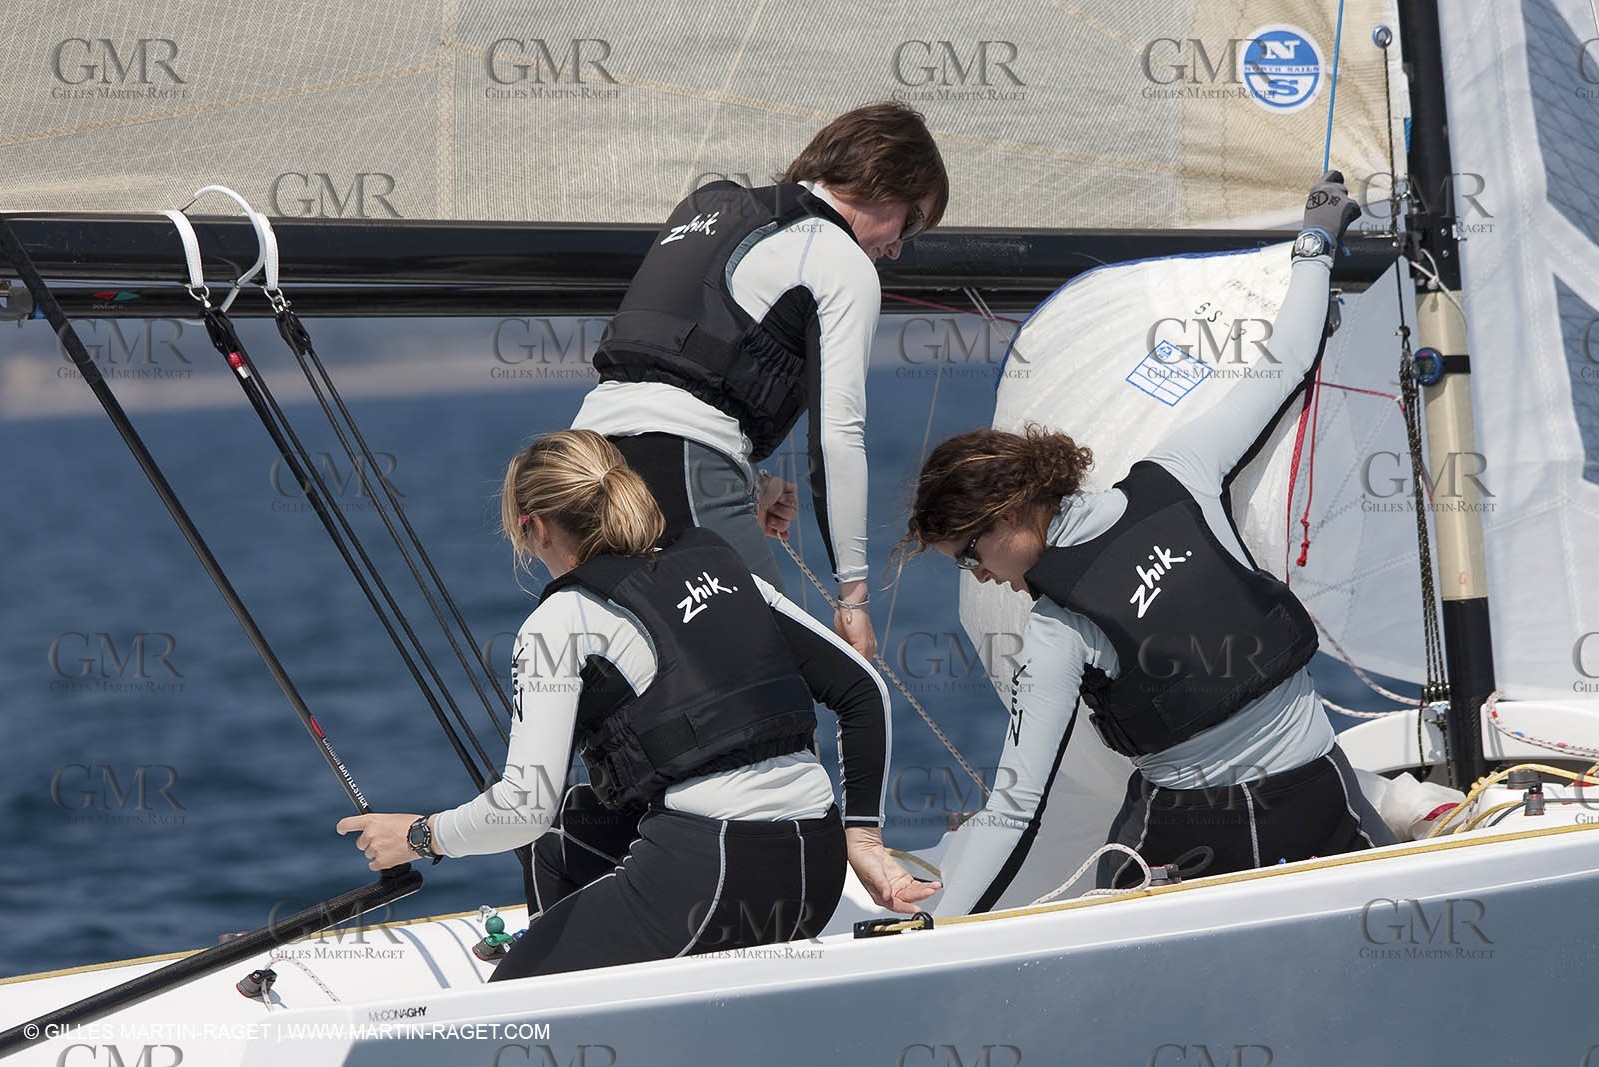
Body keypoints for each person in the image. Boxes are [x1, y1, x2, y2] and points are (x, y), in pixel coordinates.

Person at [891, 173, 1396, 916]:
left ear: (1004, 517)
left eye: (968, 554)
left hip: (1196, 841)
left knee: (1122, 866)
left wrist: (937, 929)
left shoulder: (1059, 629)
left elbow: (1014, 807)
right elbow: (1286, 360)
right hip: (1319, 798)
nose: (979, 575)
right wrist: (1316, 243)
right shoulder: (1181, 474)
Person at [338, 430, 936, 978]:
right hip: (816, 867)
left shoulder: (557, 621)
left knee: (509, 1000)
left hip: (719, 877)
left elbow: (521, 807)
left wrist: (420, 836)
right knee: (566, 831)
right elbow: (864, 691)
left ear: (537, 528)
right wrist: (862, 839)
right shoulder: (720, 563)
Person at [571, 100, 950, 660]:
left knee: (646, 688)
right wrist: (854, 598)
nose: (897, 247)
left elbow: (671, 383)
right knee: (769, 693)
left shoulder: (711, 205)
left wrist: (745, 483)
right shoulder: (840, 259)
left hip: (579, 461)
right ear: (878, 177)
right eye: (911, 220)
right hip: (676, 469)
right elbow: (837, 437)